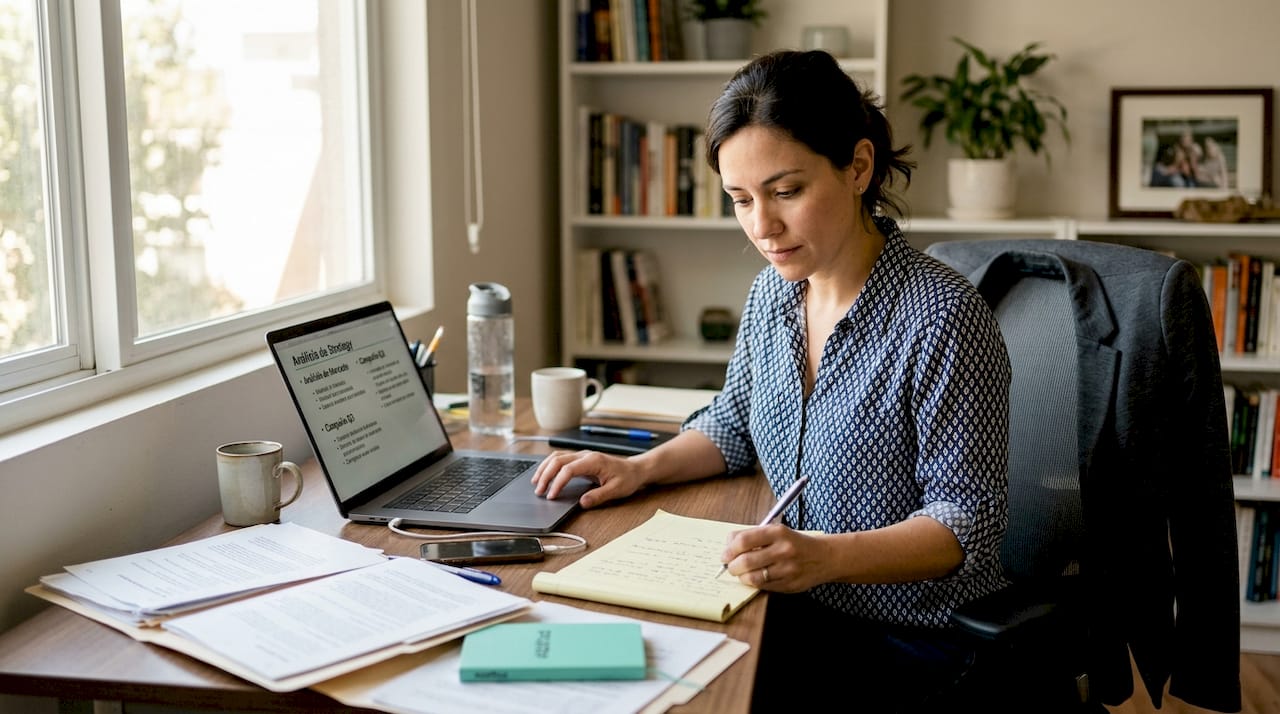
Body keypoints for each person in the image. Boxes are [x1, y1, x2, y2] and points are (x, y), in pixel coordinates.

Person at [532, 49, 1012, 712]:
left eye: (786, 191)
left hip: (913, 638)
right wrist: (641, 469)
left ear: (858, 167)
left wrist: (826, 558)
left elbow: (967, 523)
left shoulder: (942, 317)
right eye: (741, 200)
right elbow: (734, 424)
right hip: (792, 606)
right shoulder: (772, 295)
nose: (762, 226)